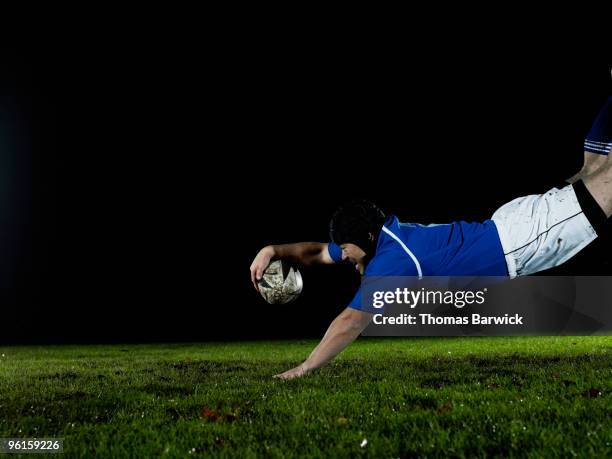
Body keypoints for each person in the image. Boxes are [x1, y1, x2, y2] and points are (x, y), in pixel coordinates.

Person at [250, 98, 612, 380]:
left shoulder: (392, 262)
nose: (344, 257)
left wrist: (305, 368)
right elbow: (316, 253)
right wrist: (273, 249)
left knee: (602, 178)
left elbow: (350, 322)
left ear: (367, 237)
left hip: (523, 240)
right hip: (510, 225)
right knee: (593, 167)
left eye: (346, 249)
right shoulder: (382, 238)